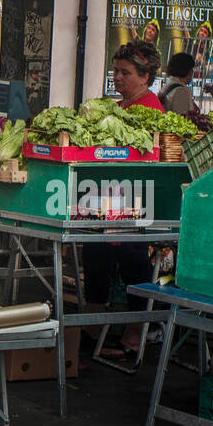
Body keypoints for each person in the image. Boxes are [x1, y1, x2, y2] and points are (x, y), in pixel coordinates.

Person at [82, 41, 166, 362]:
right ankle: (93, 325)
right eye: (115, 71)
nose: (117, 77)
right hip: (112, 197)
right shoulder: (124, 105)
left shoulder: (148, 108)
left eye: (125, 72)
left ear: (145, 77)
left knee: (131, 257)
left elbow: (137, 157)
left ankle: (136, 332)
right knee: (95, 248)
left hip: (136, 199)